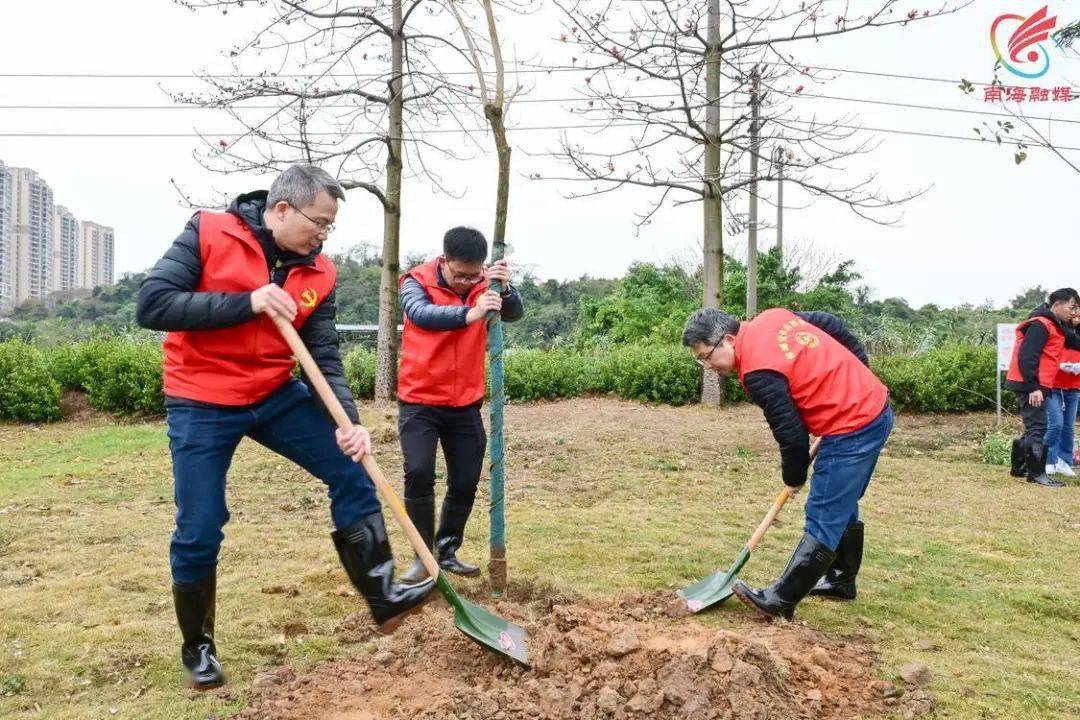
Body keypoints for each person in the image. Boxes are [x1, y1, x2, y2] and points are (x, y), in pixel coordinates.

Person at [136, 165, 435, 690]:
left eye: (330, 227)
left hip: (273, 393)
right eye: (318, 222)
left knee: (351, 466)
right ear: (281, 210)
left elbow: (323, 355)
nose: (323, 234)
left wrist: (350, 423)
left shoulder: (320, 271)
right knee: (201, 525)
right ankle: (198, 647)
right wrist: (245, 303)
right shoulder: (208, 231)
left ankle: (383, 595)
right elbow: (153, 305)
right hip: (201, 398)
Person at [683, 307, 892, 620]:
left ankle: (781, 601)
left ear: (728, 339)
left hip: (853, 425)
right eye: (700, 360)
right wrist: (860, 371)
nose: (708, 366)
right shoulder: (772, 317)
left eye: (707, 356)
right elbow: (828, 321)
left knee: (823, 510)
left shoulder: (758, 371)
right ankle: (841, 579)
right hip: (873, 409)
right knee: (842, 501)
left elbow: (791, 432)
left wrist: (794, 477)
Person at [395, 226, 524, 583]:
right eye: (460, 275)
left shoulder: (486, 283)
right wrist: (469, 314)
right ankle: (422, 557)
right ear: (445, 260)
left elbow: (513, 313)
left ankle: (447, 549)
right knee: (419, 471)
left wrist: (505, 288)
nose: (468, 282)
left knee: (465, 478)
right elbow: (420, 314)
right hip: (419, 400)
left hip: (465, 402)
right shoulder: (415, 281)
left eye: (475, 274)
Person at [1005, 288, 1080, 488]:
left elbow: (1075, 342)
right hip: (1030, 384)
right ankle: (1037, 473)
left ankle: (1019, 467)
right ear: (1056, 305)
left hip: (1039, 384)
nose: (1074, 312)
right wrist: (1033, 388)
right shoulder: (1040, 324)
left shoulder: (1056, 325)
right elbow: (1027, 357)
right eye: (1071, 307)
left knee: (1033, 427)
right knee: (1038, 427)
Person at [1043, 315, 1080, 479]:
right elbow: (1046, 357)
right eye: (1074, 311)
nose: (1076, 316)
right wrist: (1059, 366)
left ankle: (1064, 461)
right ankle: (1047, 460)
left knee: (1069, 427)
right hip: (1053, 385)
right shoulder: (1057, 331)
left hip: (1074, 386)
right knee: (1056, 423)